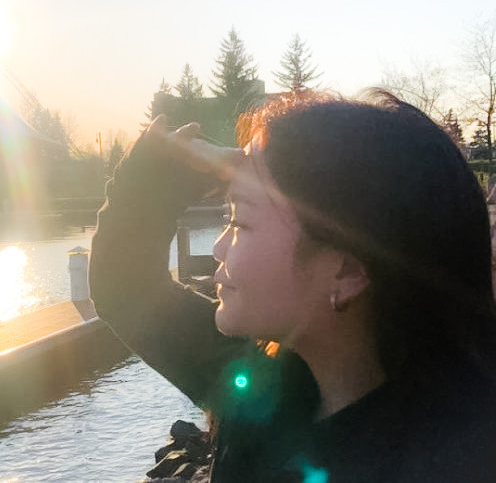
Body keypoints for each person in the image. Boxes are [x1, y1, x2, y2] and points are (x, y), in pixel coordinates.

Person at [89, 91, 496, 482]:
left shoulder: (452, 460)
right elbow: (125, 288)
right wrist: (156, 175)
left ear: (347, 272)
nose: (217, 247)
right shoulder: (261, 378)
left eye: (239, 222)